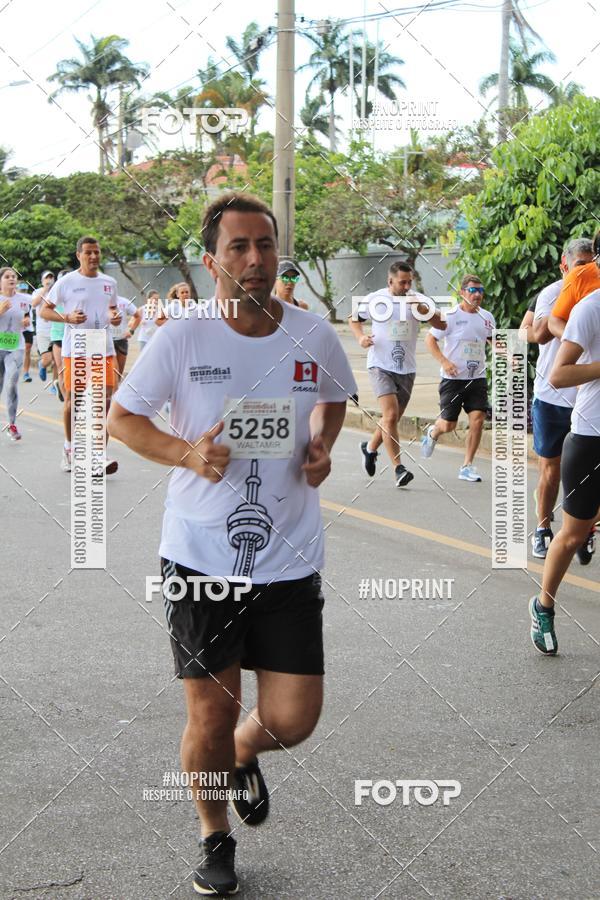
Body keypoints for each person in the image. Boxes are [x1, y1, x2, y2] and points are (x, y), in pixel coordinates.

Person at [108, 191, 356, 896]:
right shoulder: (183, 337)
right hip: (201, 558)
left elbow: (333, 397)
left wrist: (321, 444)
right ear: (213, 259)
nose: (255, 260)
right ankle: (214, 835)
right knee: (211, 712)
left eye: (265, 245)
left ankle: (247, 753)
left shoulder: (314, 333)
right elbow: (122, 421)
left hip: (289, 558)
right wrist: (188, 453)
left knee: (292, 719)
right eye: (240, 247)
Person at [529, 280, 600, 654]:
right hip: (591, 435)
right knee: (572, 535)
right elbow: (559, 374)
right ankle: (543, 606)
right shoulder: (590, 309)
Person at [349, 261, 446, 487]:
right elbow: (353, 318)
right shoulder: (376, 299)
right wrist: (360, 338)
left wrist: (422, 310)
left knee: (391, 419)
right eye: (402, 282)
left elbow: (441, 324)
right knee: (390, 415)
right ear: (390, 281)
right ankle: (398, 469)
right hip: (379, 365)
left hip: (407, 368)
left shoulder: (418, 300)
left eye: (409, 282)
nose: (406, 286)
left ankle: (370, 448)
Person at [529, 239, 595, 559]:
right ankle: (543, 528)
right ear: (564, 266)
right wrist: (577, 322)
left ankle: (582, 530)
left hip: (587, 405)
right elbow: (543, 331)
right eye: (578, 264)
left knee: (587, 476)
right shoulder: (554, 293)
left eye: (589, 263)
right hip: (552, 397)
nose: (584, 269)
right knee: (551, 472)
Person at [39, 237, 121, 474]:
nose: (94, 257)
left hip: (102, 349)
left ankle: (99, 456)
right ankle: (69, 448)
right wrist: (67, 318)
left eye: (97, 252)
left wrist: (114, 317)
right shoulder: (66, 282)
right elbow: (44, 310)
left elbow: (112, 309)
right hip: (75, 349)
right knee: (73, 403)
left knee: (104, 402)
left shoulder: (110, 282)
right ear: (79, 255)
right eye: (88, 253)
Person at [421, 274, 496, 482]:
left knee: (478, 419)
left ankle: (467, 466)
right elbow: (430, 339)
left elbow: (493, 341)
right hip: (452, 380)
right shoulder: (450, 316)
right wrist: (444, 362)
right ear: (462, 292)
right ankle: (433, 432)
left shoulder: (487, 317)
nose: (477, 294)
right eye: (472, 290)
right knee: (449, 425)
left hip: (477, 378)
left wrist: (509, 356)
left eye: (480, 290)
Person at [0, 267, 31, 440]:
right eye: (7, 276)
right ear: (0, 281)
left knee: (11, 383)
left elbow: (28, 317)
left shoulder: (25, 300)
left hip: (15, 347)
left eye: (14, 276)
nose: (12, 279)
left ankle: (12, 424)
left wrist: (27, 321)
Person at [31, 271, 56, 386]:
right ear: (42, 280)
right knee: (48, 359)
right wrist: (44, 290)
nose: (49, 280)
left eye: (51, 278)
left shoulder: (57, 292)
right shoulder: (37, 292)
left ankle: (55, 384)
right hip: (42, 331)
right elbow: (34, 304)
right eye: (47, 278)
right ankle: (42, 364)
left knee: (57, 359)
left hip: (56, 330)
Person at [112, 295, 137, 379]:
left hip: (121, 339)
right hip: (106, 340)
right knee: (106, 373)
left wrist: (131, 331)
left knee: (118, 374)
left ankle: (116, 391)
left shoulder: (124, 301)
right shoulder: (100, 301)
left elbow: (138, 315)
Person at [20, 282, 34, 383]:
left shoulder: (30, 297)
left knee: (27, 350)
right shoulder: (12, 298)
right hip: (15, 329)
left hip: (28, 328)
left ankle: (25, 373)